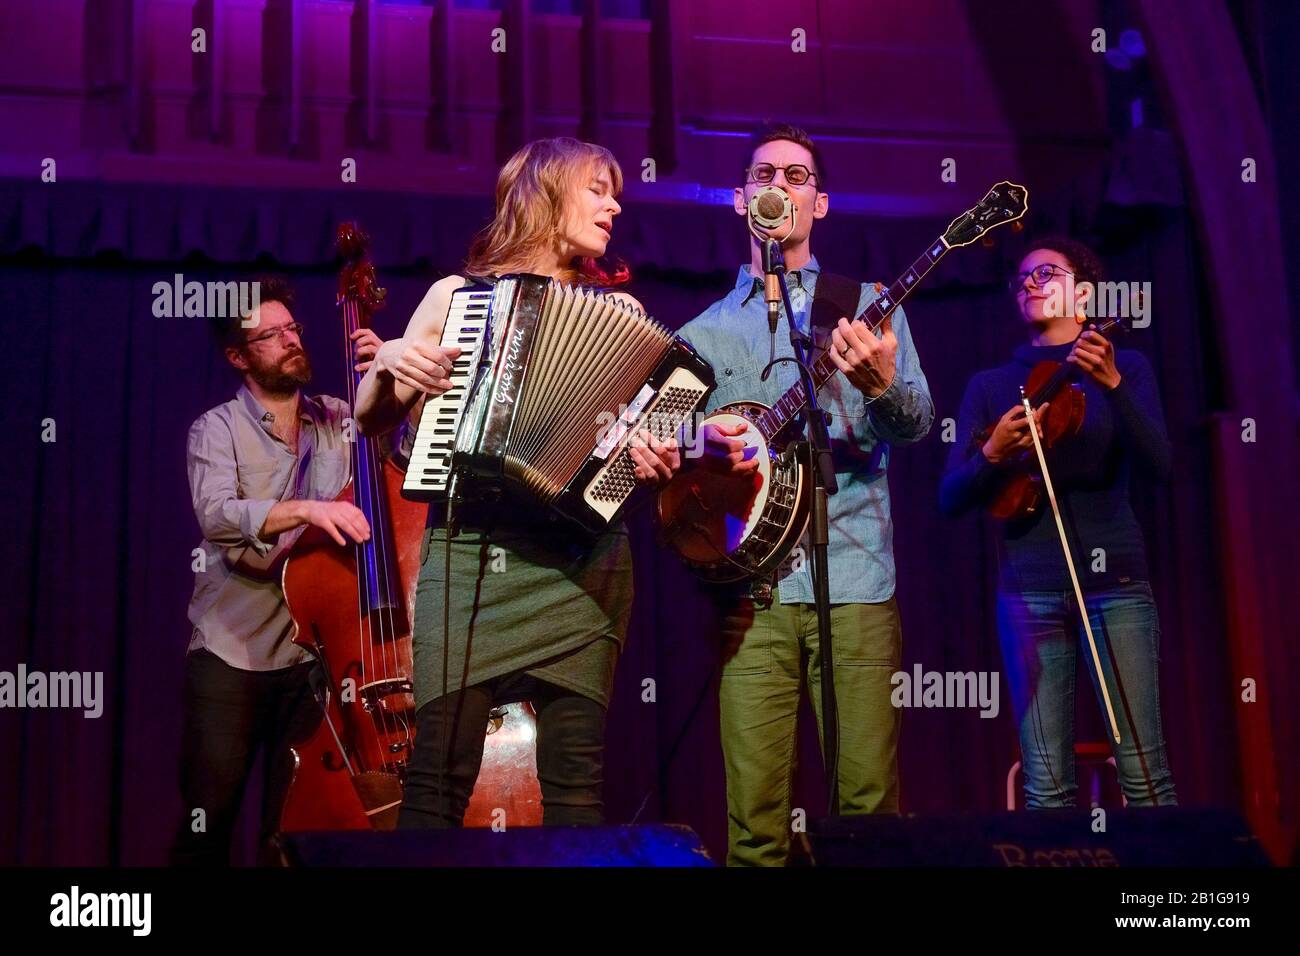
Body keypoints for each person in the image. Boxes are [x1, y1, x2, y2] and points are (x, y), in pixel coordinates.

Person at [354, 137, 679, 829]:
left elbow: (631, 460)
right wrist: (388, 361)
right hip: (470, 557)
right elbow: (368, 418)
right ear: (546, 193)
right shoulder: (456, 296)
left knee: (574, 789)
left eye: (614, 191)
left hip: (582, 571)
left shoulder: (620, 317)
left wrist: (650, 462)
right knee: (436, 782)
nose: (614, 205)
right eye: (597, 188)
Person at [676, 123, 934, 865]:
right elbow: (669, 468)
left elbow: (917, 428)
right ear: (738, 200)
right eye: (764, 175)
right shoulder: (700, 335)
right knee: (754, 828)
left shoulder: (871, 305)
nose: (778, 187)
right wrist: (703, 446)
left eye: (796, 176)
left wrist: (882, 385)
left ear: (819, 203)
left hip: (855, 585)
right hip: (750, 599)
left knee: (868, 815)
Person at [939, 237, 1177, 809]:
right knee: (1046, 787)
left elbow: (1161, 465)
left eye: (1046, 272)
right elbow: (949, 498)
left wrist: (1115, 386)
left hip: (1115, 583)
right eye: (1022, 279)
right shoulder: (991, 386)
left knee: (1145, 777)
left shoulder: (1125, 366)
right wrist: (993, 453)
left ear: (1085, 292)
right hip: (1029, 587)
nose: (1030, 284)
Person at [174, 277, 382, 865]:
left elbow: (401, 462)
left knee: (294, 832)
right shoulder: (216, 429)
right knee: (206, 828)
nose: (291, 341)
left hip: (315, 660)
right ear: (239, 357)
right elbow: (218, 515)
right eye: (271, 336)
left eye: (292, 329)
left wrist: (387, 378)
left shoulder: (341, 417)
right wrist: (309, 509)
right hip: (232, 656)